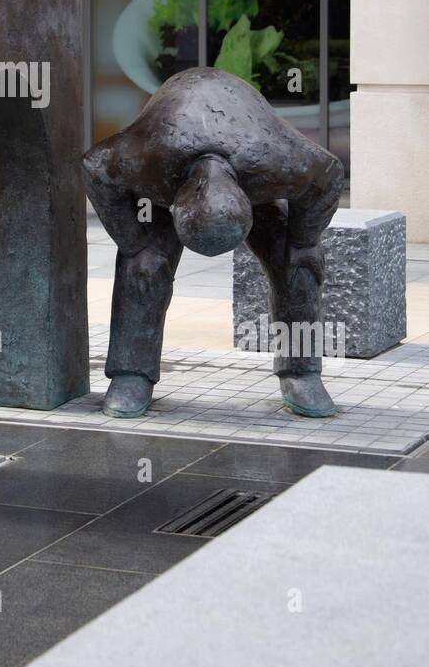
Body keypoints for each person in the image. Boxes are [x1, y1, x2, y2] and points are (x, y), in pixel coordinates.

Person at [82, 67, 344, 419]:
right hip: (171, 168)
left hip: (247, 165)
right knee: (144, 264)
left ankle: (302, 372)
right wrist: (132, 242)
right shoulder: (146, 158)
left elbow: (330, 175)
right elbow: (94, 168)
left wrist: (303, 239)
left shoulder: (276, 160)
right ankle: (132, 374)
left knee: (299, 262)